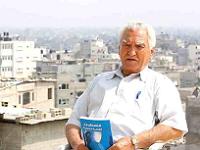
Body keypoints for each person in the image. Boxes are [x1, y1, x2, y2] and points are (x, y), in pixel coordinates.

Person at [65, 20, 188, 150]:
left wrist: (134, 142)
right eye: (126, 45)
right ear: (119, 49)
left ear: (151, 52)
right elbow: (73, 123)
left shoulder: (160, 84)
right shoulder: (99, 81)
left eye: (139, 46)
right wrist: (78, 145)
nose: (131, 52)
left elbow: (176, 127)